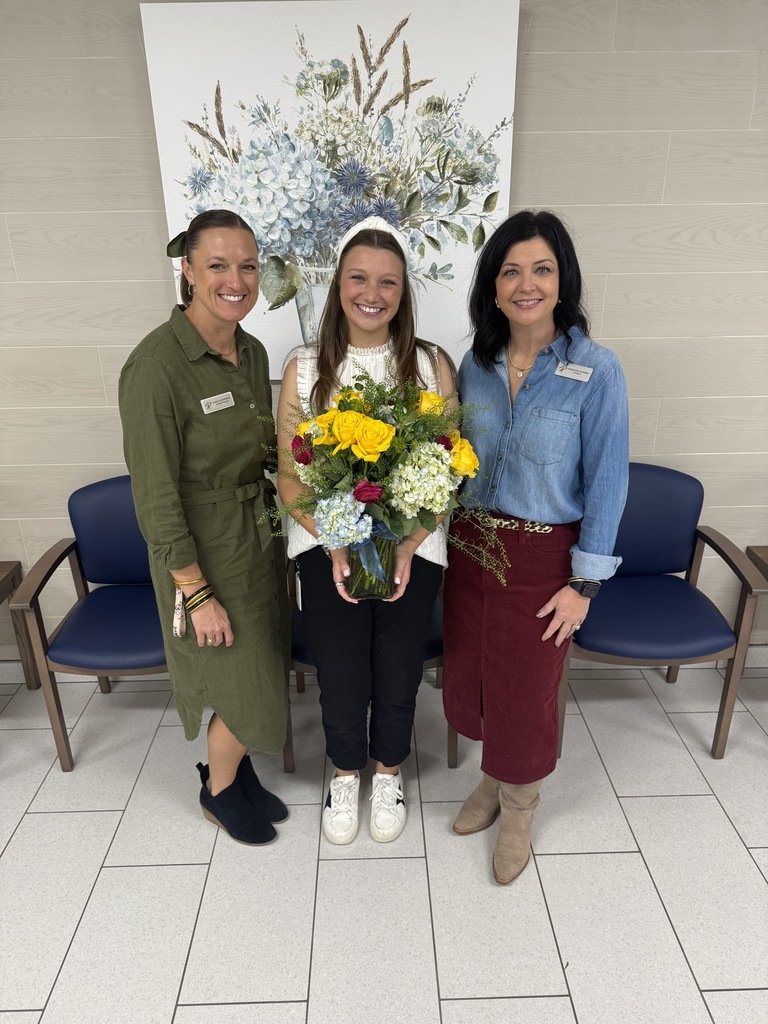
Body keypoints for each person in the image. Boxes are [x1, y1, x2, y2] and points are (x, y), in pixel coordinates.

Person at [443, 209, 629, 884]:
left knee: (526, 691)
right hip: (471, 550)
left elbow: (607, 482)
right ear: (493, 287)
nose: (526, 284)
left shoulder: (596, 370)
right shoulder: (474, 365)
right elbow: (452, 458)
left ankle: (520, 806)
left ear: (562, 280)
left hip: (542, 559)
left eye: (541, 270)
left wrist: (583, 587)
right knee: (475, 678)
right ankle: (493, 780)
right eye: (511, 271)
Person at [277, 215, 455, 845]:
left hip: (415, 546)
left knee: (399, 668)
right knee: (342, 670)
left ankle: (387, 774)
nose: (371, 294)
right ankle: (346, 773)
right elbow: (291, 476)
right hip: (325, 546)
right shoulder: (304, 368)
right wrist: (333, 541)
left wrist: (407, 544)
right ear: (338, 285)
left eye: (388, 282)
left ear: (404, 291)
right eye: (358, 278)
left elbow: (449, 466)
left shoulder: (430, 365)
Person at [119, 208, 290, 846]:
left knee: (261, 661)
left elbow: (262, 449)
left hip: (257, 535)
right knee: (239, 671)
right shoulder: (155, 367)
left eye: (247, 266)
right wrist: (194, 590)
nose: (235, 281)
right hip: (202, 550)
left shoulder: (252, 350)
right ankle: (217, 791)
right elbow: (155, 494)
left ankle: (235, 775)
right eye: (218, 265)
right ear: (188, 270)